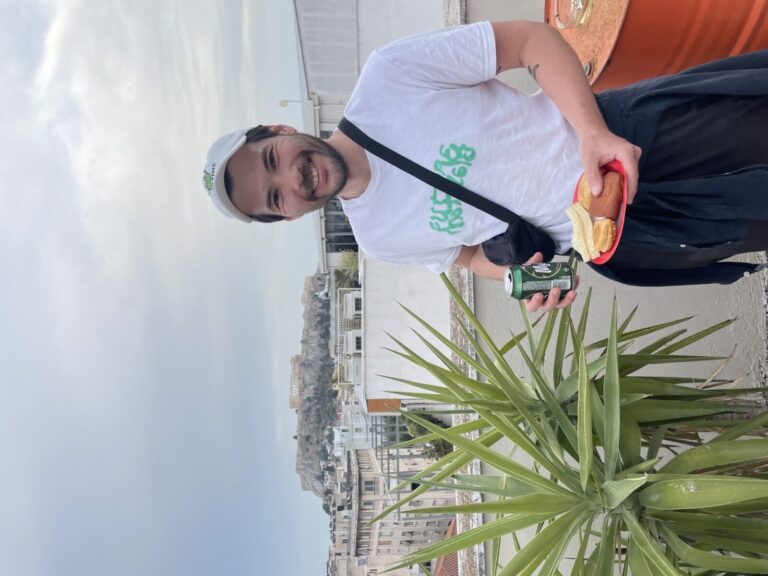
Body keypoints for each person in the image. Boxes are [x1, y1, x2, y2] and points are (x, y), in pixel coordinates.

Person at [202, 20, 768, 313]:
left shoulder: (387, 78)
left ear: (277, 130)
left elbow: (530, 42)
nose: (292, 178)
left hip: (625, 139)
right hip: (622, 237)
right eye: (275, 196)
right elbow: (470, 255)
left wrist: (593, 133)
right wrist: (526, 279)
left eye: (272, 160)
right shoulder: (378, 239)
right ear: (290, 216)